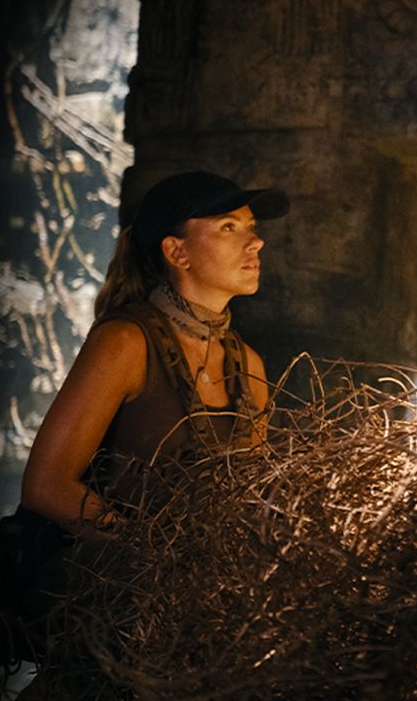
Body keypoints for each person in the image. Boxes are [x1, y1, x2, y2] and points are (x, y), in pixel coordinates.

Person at [21, 169, 290, 529]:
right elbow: (46, 486)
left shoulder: (248, 366)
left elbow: (248, 502)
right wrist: (142, 551)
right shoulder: (125, 343)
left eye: (251, 226)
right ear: (177, 252)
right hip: (108, 565)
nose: (256, 242)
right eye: (229, 227)